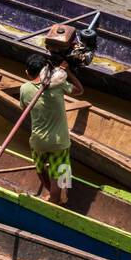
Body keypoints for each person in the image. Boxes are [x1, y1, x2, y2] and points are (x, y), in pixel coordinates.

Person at [19, 53, 83, 205]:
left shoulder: (24, 88)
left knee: (40, 168)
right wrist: (68, 73)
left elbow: (24, 108)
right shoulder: (59, 84)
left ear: (27, 72)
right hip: (59, 142)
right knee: (61, 172)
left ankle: (51, 192)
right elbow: (79, 90)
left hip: (38, 141)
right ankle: (57, 199)